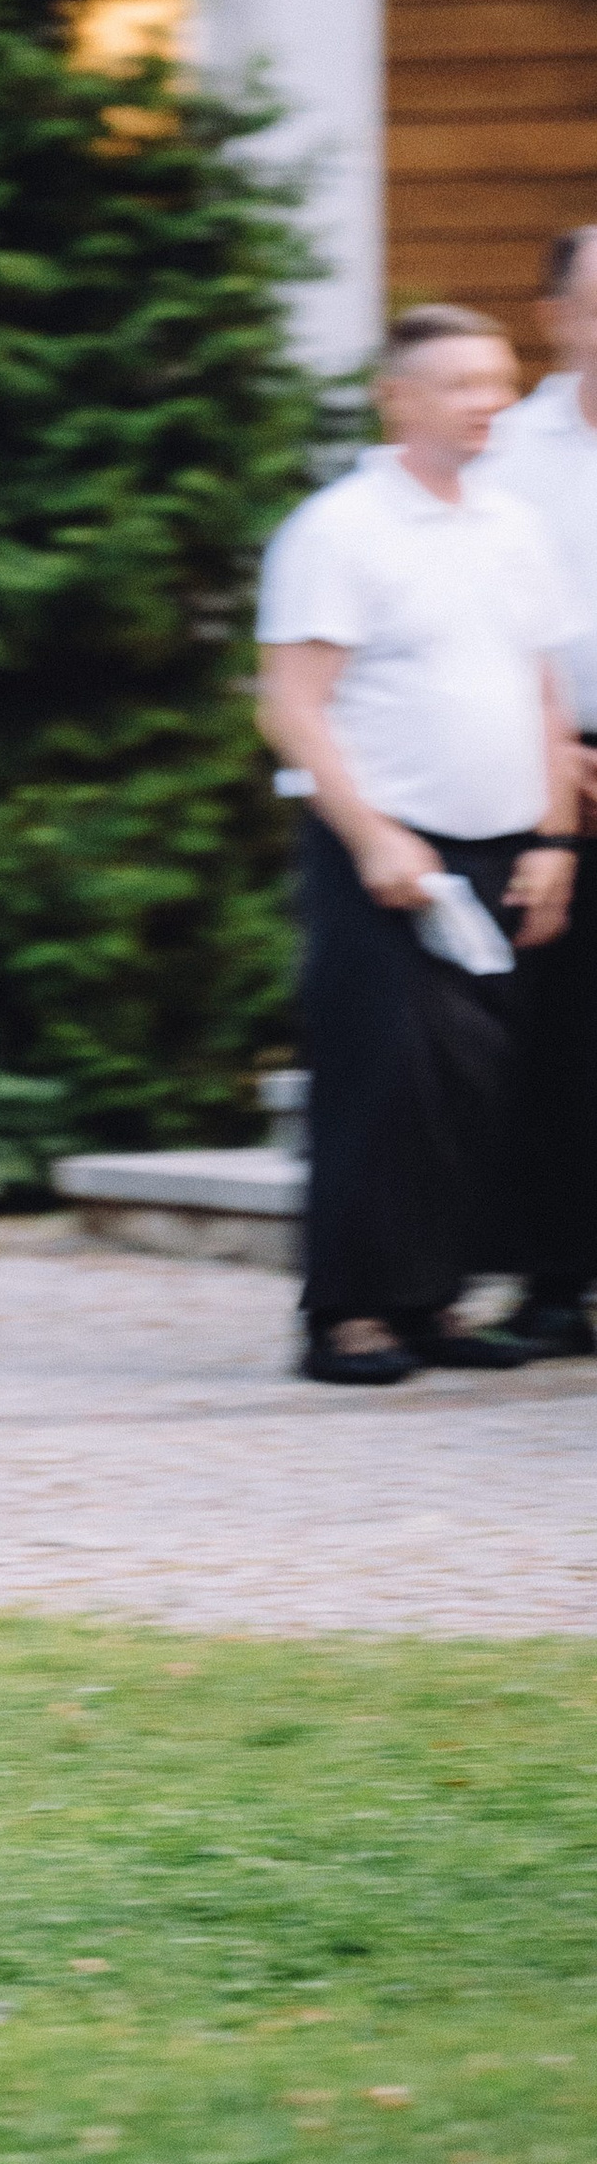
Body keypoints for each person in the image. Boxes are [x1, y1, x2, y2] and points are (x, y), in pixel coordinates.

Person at [257, 305, 580, 1388]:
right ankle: (346, 1314)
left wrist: (553, 836)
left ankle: (430, 1298)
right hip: (387, 849)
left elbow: (539, 687)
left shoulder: (509, 523)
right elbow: (293, 706)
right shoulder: (339, 528)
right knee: (382, 1076)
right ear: (397, 397)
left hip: (503, 844)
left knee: (475, 1087)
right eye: (457, 384)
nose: (486, 401)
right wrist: (372, 834)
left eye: (497, 380)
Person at [480, 226, 597, 1356]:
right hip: (546, 762)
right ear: (557, 314)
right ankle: (555, 1279)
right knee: (555, 1028)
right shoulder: (505, 453)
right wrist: (553, 753)